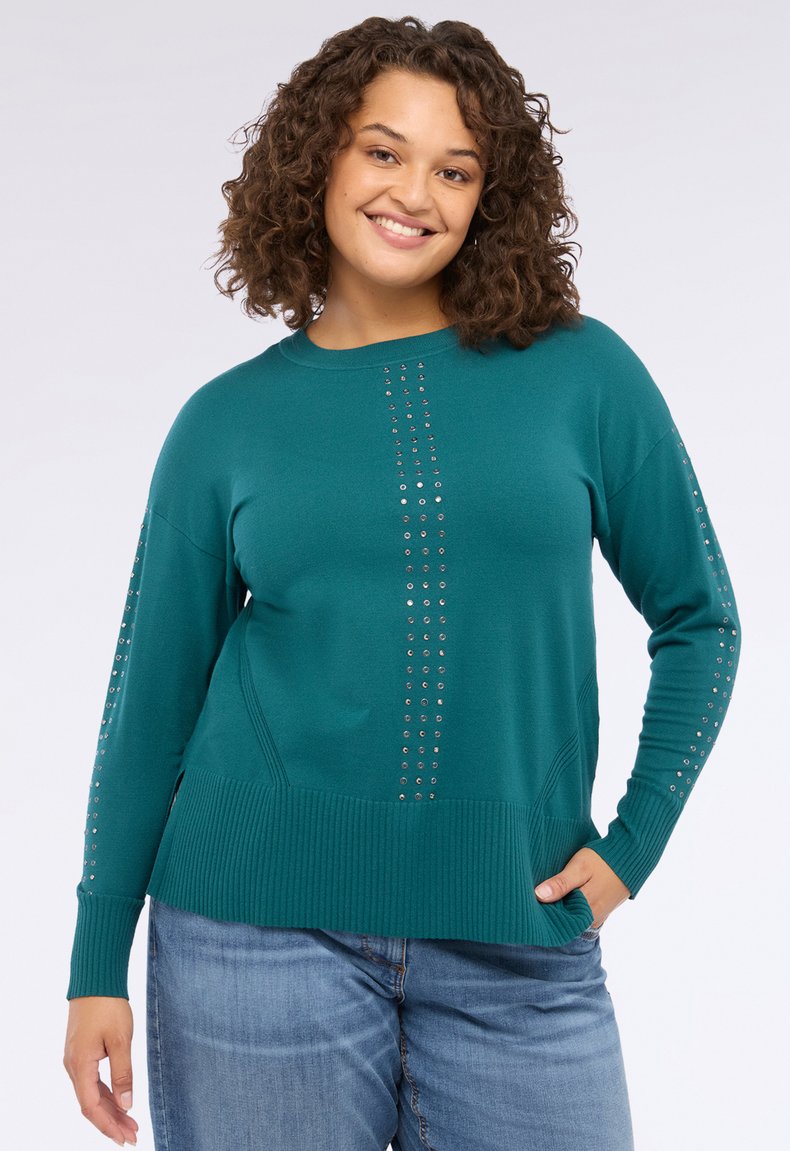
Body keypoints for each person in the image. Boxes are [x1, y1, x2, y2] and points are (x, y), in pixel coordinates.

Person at [62, 15, 742, 1151]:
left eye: (455, 169)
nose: (414, 193)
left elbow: (701, 618)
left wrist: (632, 848)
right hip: (251, 940)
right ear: (317, 160)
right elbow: (150, 705)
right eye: (383, 151)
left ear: (489, 198)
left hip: (519, 940)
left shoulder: (582, 374)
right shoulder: (224, 424)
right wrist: (96, 961)